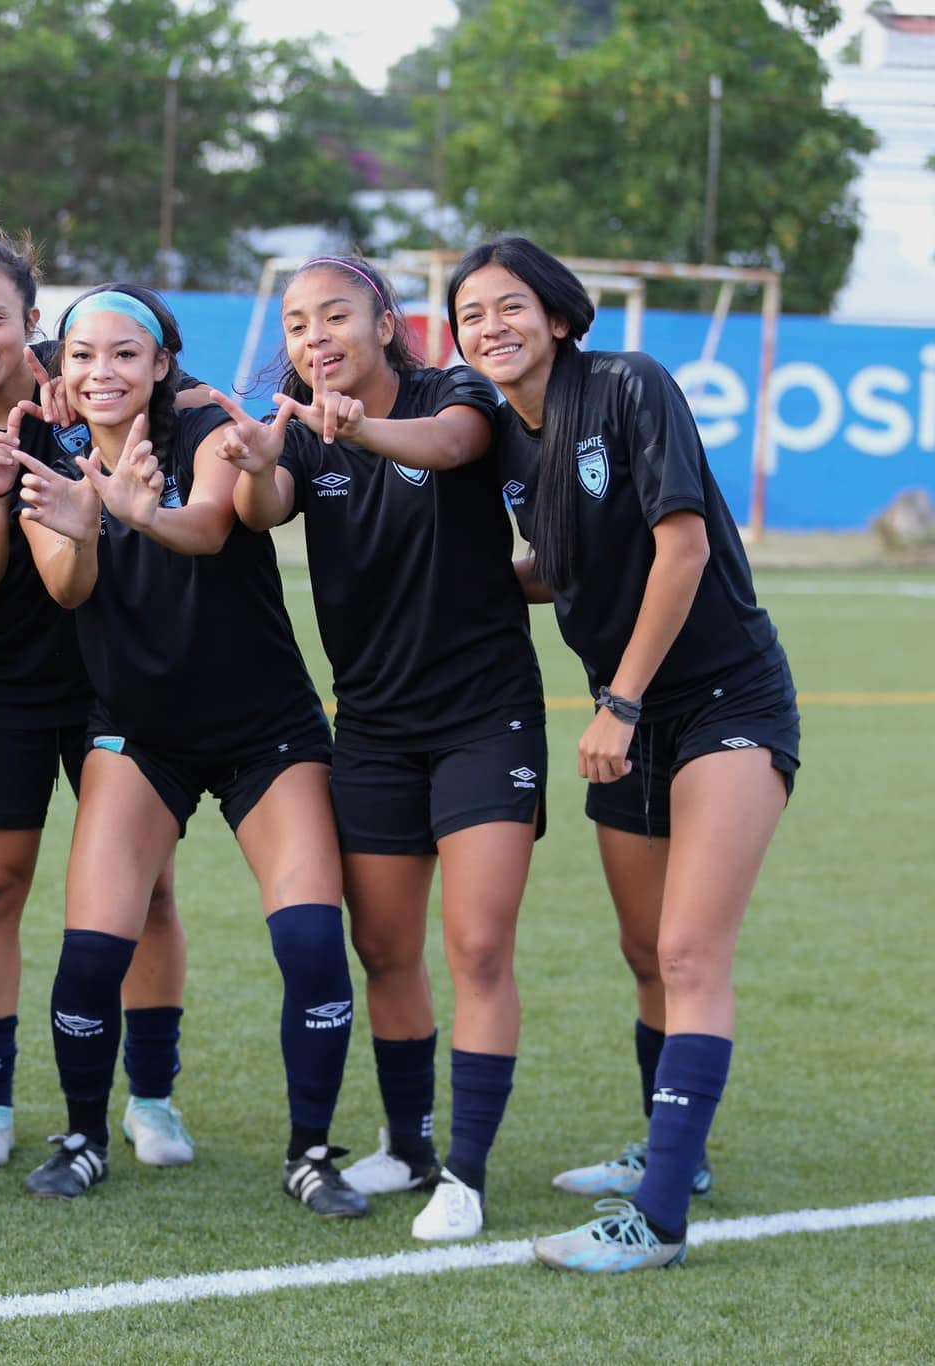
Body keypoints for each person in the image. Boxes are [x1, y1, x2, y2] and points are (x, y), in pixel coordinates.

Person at [447, 238, 798, 1272]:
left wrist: (618, 699)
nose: (489, 327)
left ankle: (655, 1220)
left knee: (690, 952)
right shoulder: (506, 444)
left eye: (509, 306)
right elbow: (560, 567)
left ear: (556, 316)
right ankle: (671, 1154)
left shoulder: (628, 386)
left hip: (722, 701)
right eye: (469, 315)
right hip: (634, 719)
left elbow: (678, 545)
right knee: (643, 953)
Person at [9, 284, 366, 1216]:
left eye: (126, 355)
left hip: (267, 730)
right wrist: (84, 526)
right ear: (61, 367)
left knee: (312, 943)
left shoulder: (209, 423)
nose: (103, 373)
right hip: (139, 732)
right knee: (91, 950)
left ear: (162, 364)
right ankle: (86, 1134)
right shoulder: (49, 454)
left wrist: (132, 512)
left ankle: (310, 1152)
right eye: (83, 356)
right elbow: (67, 588)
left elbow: (212, 526)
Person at [233, 255, 544, 1240]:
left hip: (481, 717)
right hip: (369, 726)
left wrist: (356, 426)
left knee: (478, 944)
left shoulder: (447, 391)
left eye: (333, 315)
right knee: (382, 947)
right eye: (295, 323)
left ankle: (466, 1172)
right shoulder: (295, 424)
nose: (313, 336)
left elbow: (454, 446)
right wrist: (248, 462)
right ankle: (407, 1142)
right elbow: (263, 508)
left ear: (381, 323)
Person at [0, 220, 195, 1170]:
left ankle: (152, 1098)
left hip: (121, 682)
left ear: (30, 320)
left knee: (148, 890)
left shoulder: (96, 380)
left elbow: (188, 402)